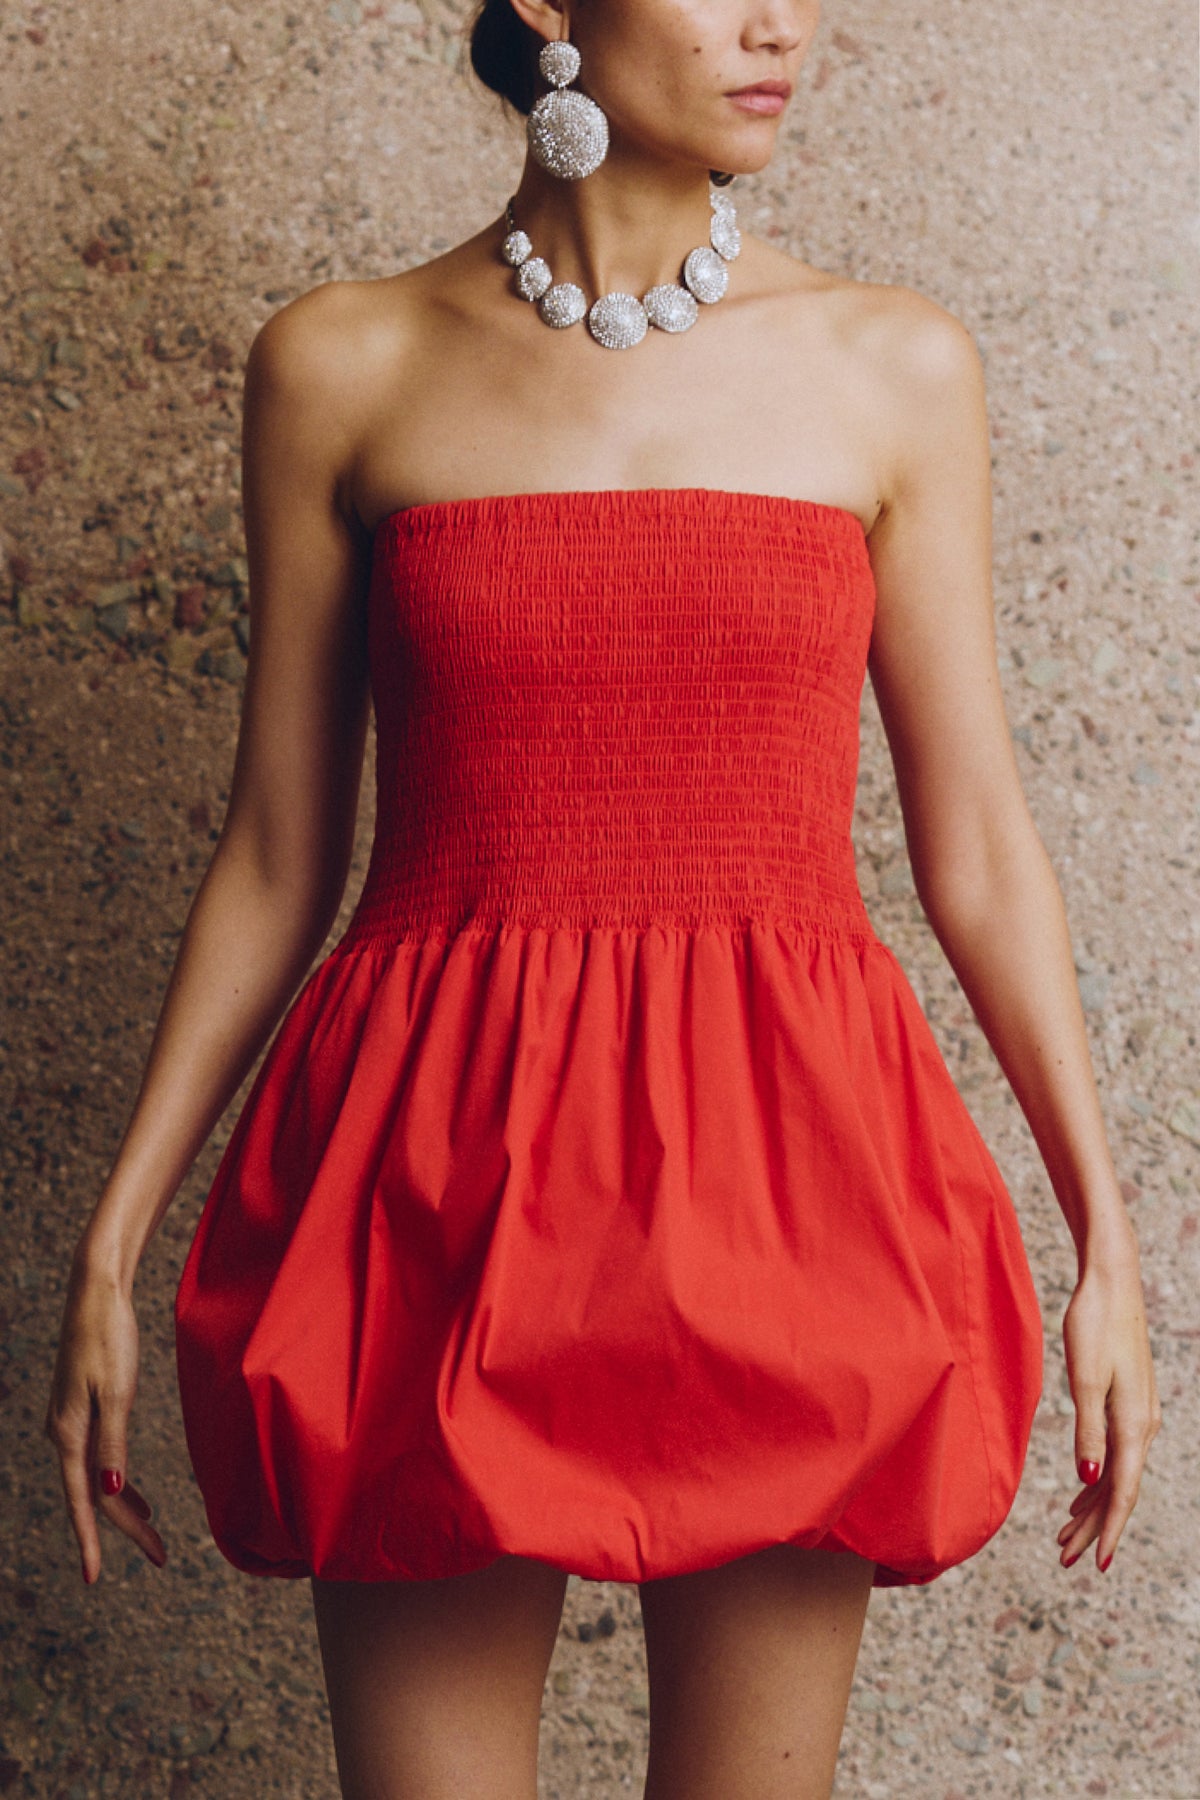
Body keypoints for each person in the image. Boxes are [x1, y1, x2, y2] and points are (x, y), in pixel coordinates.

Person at [44, 0, 1161, 1794]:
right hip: (430, 1177)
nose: (783, 25)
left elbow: (979, 844)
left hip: (788, 1175)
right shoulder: (344, 360)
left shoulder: (893, 367)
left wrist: (1109, 1239)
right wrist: (113, 1237)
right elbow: (275, 846)